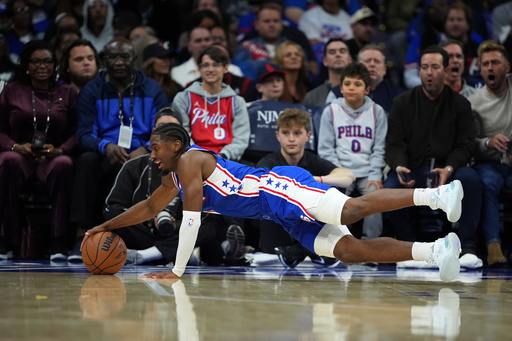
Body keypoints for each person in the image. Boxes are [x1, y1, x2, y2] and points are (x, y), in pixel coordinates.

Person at [83, 122, 464, 282]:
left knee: (351, 208)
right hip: (277, 212)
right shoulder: (173, 178)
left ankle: (437, 195)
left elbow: (191, 221)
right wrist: (105, 226)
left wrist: (178, 271)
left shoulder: (190, 160)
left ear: (176, 146)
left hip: (280, 189)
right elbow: (148, 209)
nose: (151, 155)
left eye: (155, 148)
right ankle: (436, 251)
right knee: (348, 251)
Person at [69, 39, 169, 261]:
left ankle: (155, 241)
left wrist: (146, 148)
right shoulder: (92, 91)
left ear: (134, 59)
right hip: (106, 152)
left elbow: (164, 128)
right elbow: (84, 134)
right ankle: (80, 236)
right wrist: (105, 146)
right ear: (104, 60)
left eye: (125, 56)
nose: (119, 62)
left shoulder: (152, 89)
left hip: (144, 154)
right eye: (113, 57)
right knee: (86, 161)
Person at [384, 45, 482, 265]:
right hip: (414, 169)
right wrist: (399, 166)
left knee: (470, 179)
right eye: (424, 67)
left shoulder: (461, 105)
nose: (429, 72)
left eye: (435, 67)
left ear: (446, 71)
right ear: (419, 71)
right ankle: (408, 248)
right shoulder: (402, 103)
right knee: (392, 183)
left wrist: (449, 168)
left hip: (447, 170)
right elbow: (394, 143)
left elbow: (465, 145)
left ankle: (468, 247)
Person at [105, 107, 232, 266]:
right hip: (144, 232)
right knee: (112, 214)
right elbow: (114, 206)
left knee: (209, 225)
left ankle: (148, 255)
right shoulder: (134, 166)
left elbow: (206, 213)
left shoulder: (198, 167)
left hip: (179, 232)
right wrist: (146, 218)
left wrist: (176, 224)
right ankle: (173, 253)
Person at [0, 40, 77, 260]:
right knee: (7, 161)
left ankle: (58, 241)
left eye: (47, 61)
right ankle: (7, 240)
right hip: (19, 154)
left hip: (52, 156)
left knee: (64, 165)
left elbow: (77, 132)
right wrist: (15, 146)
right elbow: (1, 129)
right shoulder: (12, 90)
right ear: (26, 65)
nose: (42, 66)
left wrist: (61, 150)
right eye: (36, 61)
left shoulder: (68, 92)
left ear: (55, 65)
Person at [256, 108, 355, 265]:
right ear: (277, 136)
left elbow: (348, 177)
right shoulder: (269, 161)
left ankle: (301, 251)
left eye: (297, 133)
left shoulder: (313, 159)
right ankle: (308, 250)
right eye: (286, 133)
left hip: (309, 219)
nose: (291, 139)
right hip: (280, 225)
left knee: (337, 190)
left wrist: (313, 180)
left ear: (308, 136)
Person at [318, 62, 386, 240]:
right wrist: (341, 173)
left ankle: (371, 246)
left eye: (357, 84)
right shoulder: (331, 111)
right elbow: (325, 149)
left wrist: (375, 175)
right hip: (339, 170)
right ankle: (333, 244)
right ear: (340, 88)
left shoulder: (377, 112)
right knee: (332, 199)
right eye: (347, 84)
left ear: (367, 89)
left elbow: (380, 149)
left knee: (376, 198)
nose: (351, 88)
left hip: (367, 173)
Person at [468, 41, 512, 267]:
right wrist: (488, 141)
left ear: (507, 67)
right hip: (489, 163)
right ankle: (493, 246)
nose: (490, 68)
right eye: (485, 64)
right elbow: (468, 143)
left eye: (495, 63)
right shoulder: (474, 102)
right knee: (485, 183)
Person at [172, 46, 250, 162]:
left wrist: (222, 156)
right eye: (205, 65)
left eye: (216, 65)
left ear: (226, 68)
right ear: (199, 69)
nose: (210, 69)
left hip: (226, 160)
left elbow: (241, 139)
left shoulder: (237, 102)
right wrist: (198, 155)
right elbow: (183, 133)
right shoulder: (183, 98)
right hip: (192, 159)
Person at [302, 38, 352, 107]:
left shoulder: (361, 93)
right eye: (332, 52)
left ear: (350, 59)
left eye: (342, 51)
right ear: (325, 61)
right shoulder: (312, 97)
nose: (338, 55)